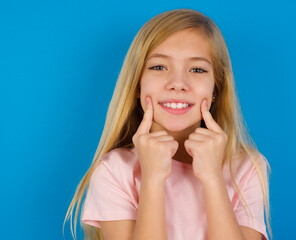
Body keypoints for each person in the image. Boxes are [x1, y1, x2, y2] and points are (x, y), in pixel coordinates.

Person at [64, 9, 272, 240]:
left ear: (216, 89)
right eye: (159, 67)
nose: (177, 83)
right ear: (137, 85)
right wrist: (152, 178)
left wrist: (213, 178)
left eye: (197, 69)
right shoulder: (115, 171)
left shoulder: (246, 167)